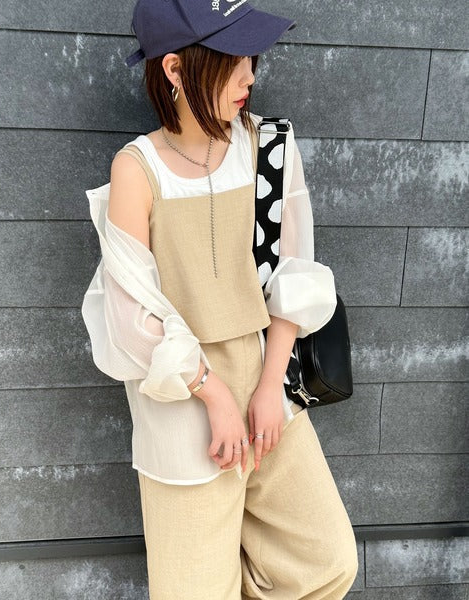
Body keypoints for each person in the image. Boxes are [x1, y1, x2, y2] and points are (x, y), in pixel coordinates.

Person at [81, 0, 359, 598]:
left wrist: (268, 386)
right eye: (232, 57)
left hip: (268, 388)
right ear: (176, 69)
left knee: (326, 561)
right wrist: (213, 392)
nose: (249, 75)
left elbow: (295, 272)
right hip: (181, 400)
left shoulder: (270, 146)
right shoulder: (137, 169)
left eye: (250, 56)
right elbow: (130, 317)